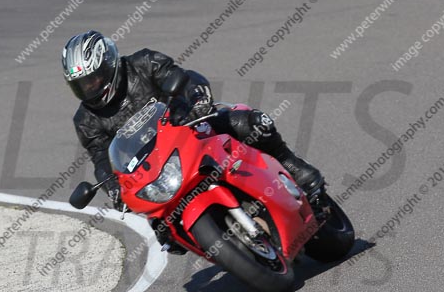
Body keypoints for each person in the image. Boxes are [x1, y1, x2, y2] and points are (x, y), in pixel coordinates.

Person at [63, 31, 324, 252]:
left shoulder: (143, 62)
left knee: (252, 125)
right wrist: (113, 188)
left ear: (109, 65)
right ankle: (217, 240)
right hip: (153, 169)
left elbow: (183, 78)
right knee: (164, 231)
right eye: (82, 85)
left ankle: (298, 172)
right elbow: (100, 156)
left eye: (93, 79)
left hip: (191, 127)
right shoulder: (85, 120)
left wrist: (197, 98)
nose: (90, 88)